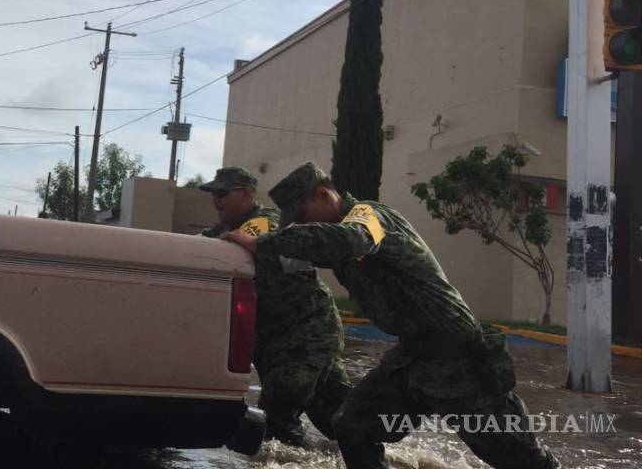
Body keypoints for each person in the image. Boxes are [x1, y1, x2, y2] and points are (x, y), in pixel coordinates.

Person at [221, 162, 559, 469]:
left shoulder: (369, 217)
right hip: (412, 355)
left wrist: (265, 242)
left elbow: (351, 240)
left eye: (303, 215)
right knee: (352, 425)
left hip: (456, 355)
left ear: (324, 195)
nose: (302, 224)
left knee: (518, 457)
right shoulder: (327, 238)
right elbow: (293, 257)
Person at [197, 166, 351, 447]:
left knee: (272, 428)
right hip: (280, 343)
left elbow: (229, 248)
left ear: (246, 194)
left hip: (306, 337)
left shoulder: (265, 223)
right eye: (212, 194)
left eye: (222, 193)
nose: (215, 201)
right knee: (343, 423)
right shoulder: (225, 229)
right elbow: (196, 246)